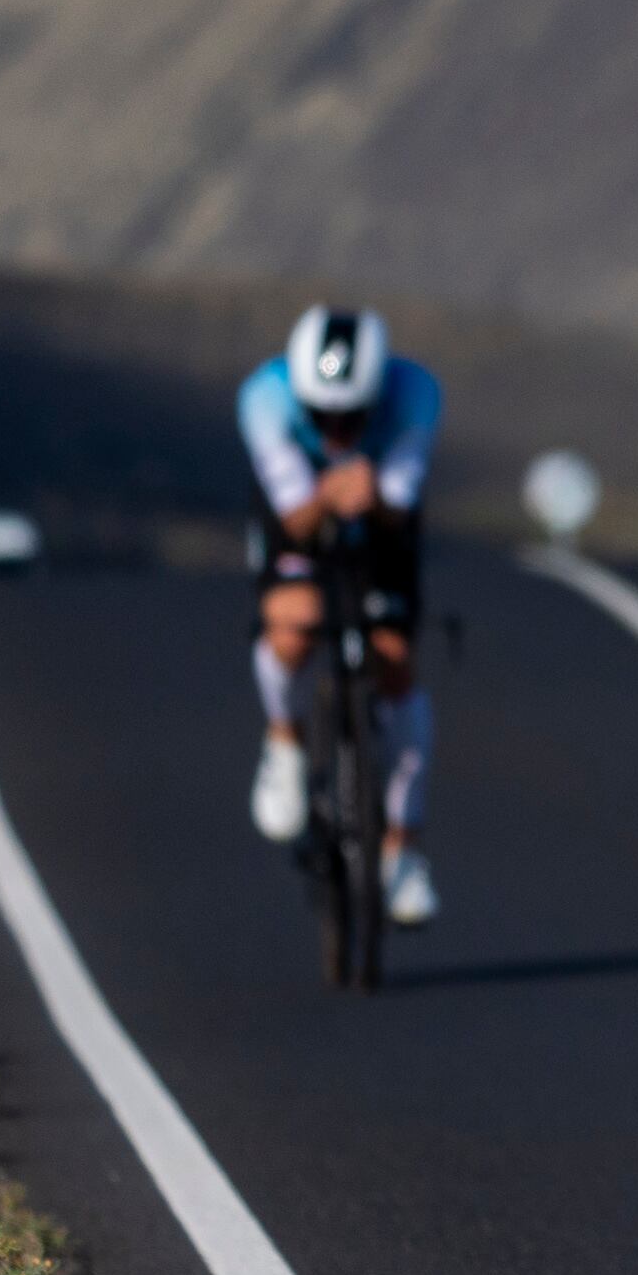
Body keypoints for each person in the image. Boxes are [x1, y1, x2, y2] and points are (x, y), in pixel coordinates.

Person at [240, 306, 445, 928]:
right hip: (300, 517)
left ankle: (403, 849)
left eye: (351, 417)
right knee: (293, 625)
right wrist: (329, 493)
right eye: (320, 415)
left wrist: (372, 494)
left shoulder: (416, 395)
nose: (335, 430)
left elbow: (399, 504)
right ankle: (284, 741)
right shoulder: (265, 399)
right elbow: (295, 515)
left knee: (394, 662)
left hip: (382, 525)